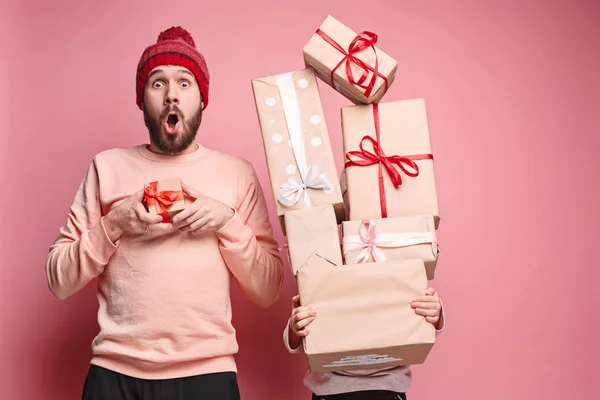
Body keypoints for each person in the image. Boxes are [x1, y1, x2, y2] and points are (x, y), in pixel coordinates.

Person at [45, 26, 284, 400]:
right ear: (142, 100)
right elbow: (58, 280)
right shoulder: (106, 167)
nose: (172, 94)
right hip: (114, 374)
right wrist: (114, 224)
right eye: (158, 83)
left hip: (209, 376)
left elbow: (269, 290)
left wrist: (226, 222)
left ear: (202, 99)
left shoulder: (237, 173)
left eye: (185, 83)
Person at [284, 287, 445, 400]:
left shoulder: (398, 259)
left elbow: (418, 320)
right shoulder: (324, 266)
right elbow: (296, 342)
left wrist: (435, 314)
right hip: (329, 389)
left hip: (388, 388)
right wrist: (295, 326)